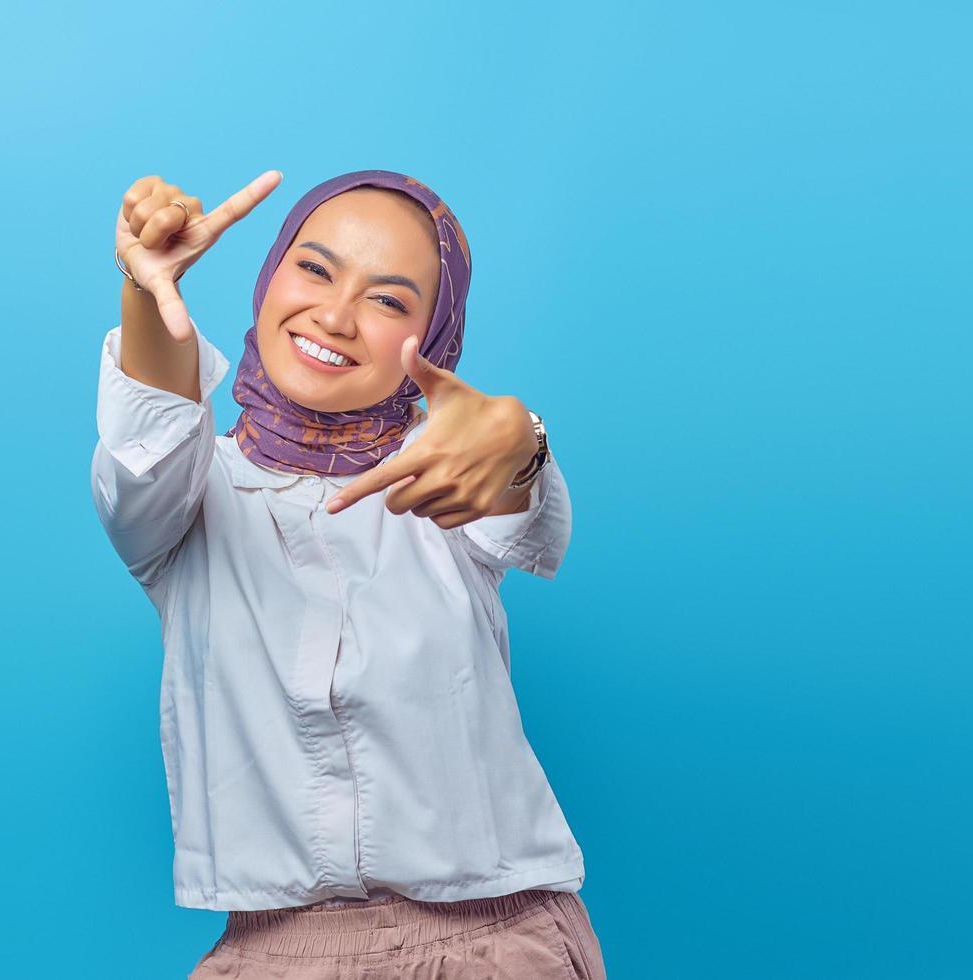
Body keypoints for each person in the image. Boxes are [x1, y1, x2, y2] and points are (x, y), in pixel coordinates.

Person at [91, 168, 607, 979]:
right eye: (315, 269)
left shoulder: (443, 472)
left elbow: (518, 489)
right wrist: (147, 287)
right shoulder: (190, 496)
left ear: (433, 338)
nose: (335, 316)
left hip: (497, 945)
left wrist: (521, 437)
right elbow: (145, 446)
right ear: (270, 276)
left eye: (390, 301)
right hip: (272, 955)